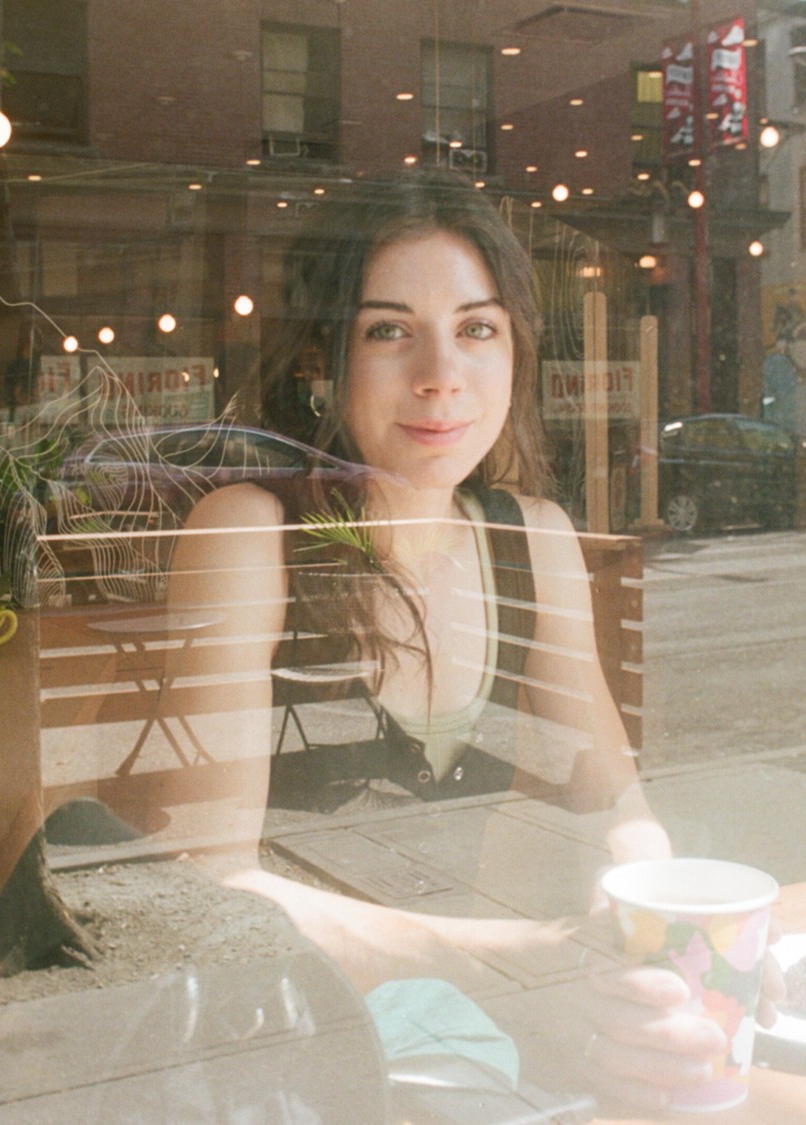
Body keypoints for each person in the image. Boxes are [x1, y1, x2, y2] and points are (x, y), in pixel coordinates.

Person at [168, 174, 774, 1112]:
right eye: (388, 329)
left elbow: (614, 794)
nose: (441, 373)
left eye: (477, 328)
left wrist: (651, 924)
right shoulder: (251, 534)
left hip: (473, 1038)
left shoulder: (531, 538)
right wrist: (526, 960)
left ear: (516, 352)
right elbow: (214, 882)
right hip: (281, 1051)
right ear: (321, 360)